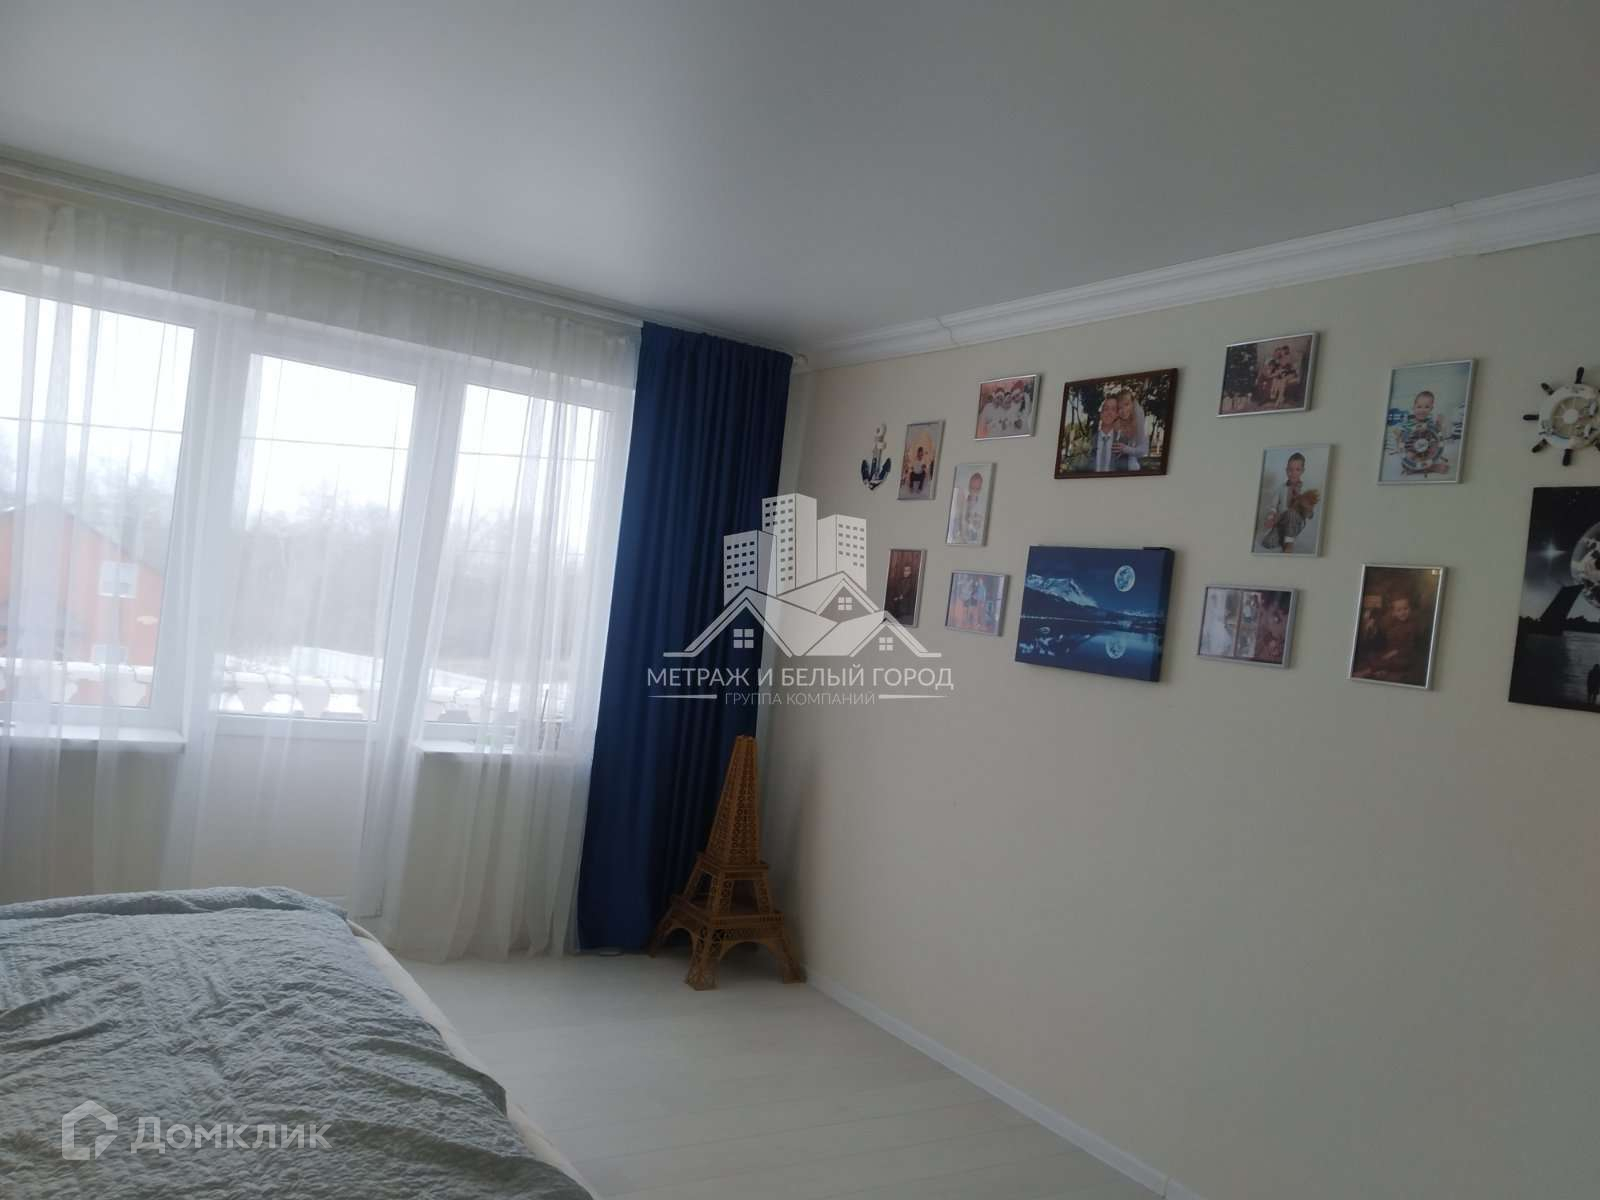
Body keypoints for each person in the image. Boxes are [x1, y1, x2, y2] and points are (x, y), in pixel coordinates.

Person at [1259, 451, 1316, 553]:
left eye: (1297, 469)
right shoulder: (1281, 488)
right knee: (1267, 543)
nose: (1293, 473)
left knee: (1291, 512)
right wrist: (1270, 518)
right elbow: (1273, 507)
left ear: (1302, 471)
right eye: (1290, 469)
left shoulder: (1305, 490)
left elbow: (1310, 515)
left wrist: (1306, 507)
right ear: (1286, 470)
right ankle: (1285, 536)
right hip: (1281, 522)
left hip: (1296, 521)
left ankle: (1289, 542)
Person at [1392, 389, 1448, 476]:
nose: (1422, 410)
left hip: (1426, 447)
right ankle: (1431, 468)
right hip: (1411, 449)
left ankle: (1428, 464)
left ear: (1431, 409)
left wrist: (1438, 424)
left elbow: (1437, 434)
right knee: (1407, 461)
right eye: (1419, 407)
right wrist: (1398, 433)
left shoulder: (1430, 421)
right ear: (1413, 408)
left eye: (1427, 407)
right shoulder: (1408, 422)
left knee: (1435, 446)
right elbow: (1398, 432)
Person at [949, 470, 987, 544]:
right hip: (958, 537)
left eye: (976, 489)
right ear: (969, 486)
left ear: (980, 489)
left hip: (971, 539)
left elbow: (979, 525)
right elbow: (956, 520)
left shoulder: (981, 506)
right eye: (972, 488)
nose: (973, 491)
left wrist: (975, 519)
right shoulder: (962, 500)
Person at [1114, 389, 1149, 470]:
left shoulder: (1139, 423)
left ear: (1132, 404)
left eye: (1127, 404)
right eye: (1119, 408)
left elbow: (1143, 450)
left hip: (1131, 465)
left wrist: (1125, 449)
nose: (1124, 410)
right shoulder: (1116, 424)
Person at [1091, 396, 1123, 472]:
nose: (1109, 413)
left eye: (1113, 409)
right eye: (1106, 409)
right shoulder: (1089, 441)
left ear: (1117, 414)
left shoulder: (1122, 442)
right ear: (1101, 413)